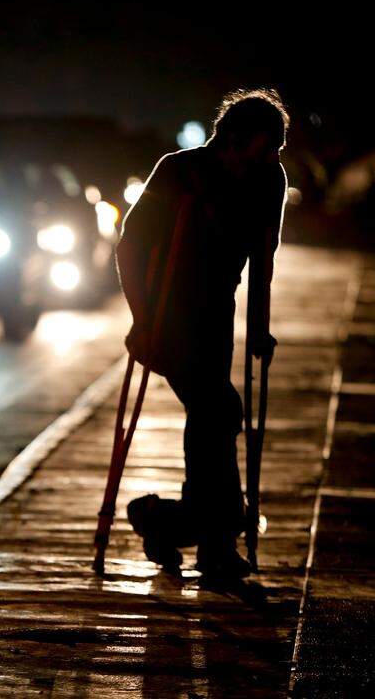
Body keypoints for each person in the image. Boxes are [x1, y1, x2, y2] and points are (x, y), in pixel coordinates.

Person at [116, 89, 288, 578]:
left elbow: (262, 259)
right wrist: (143, 321)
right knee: (219, 409)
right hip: (166, 316)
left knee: (210, 415)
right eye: (262, 148)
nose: (270, 160)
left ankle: (165, 522)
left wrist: (259, 328)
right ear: (232, 139)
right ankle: (216, 542)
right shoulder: (178, 171)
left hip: (217, 316)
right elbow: (130, 249)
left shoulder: (268, 180)